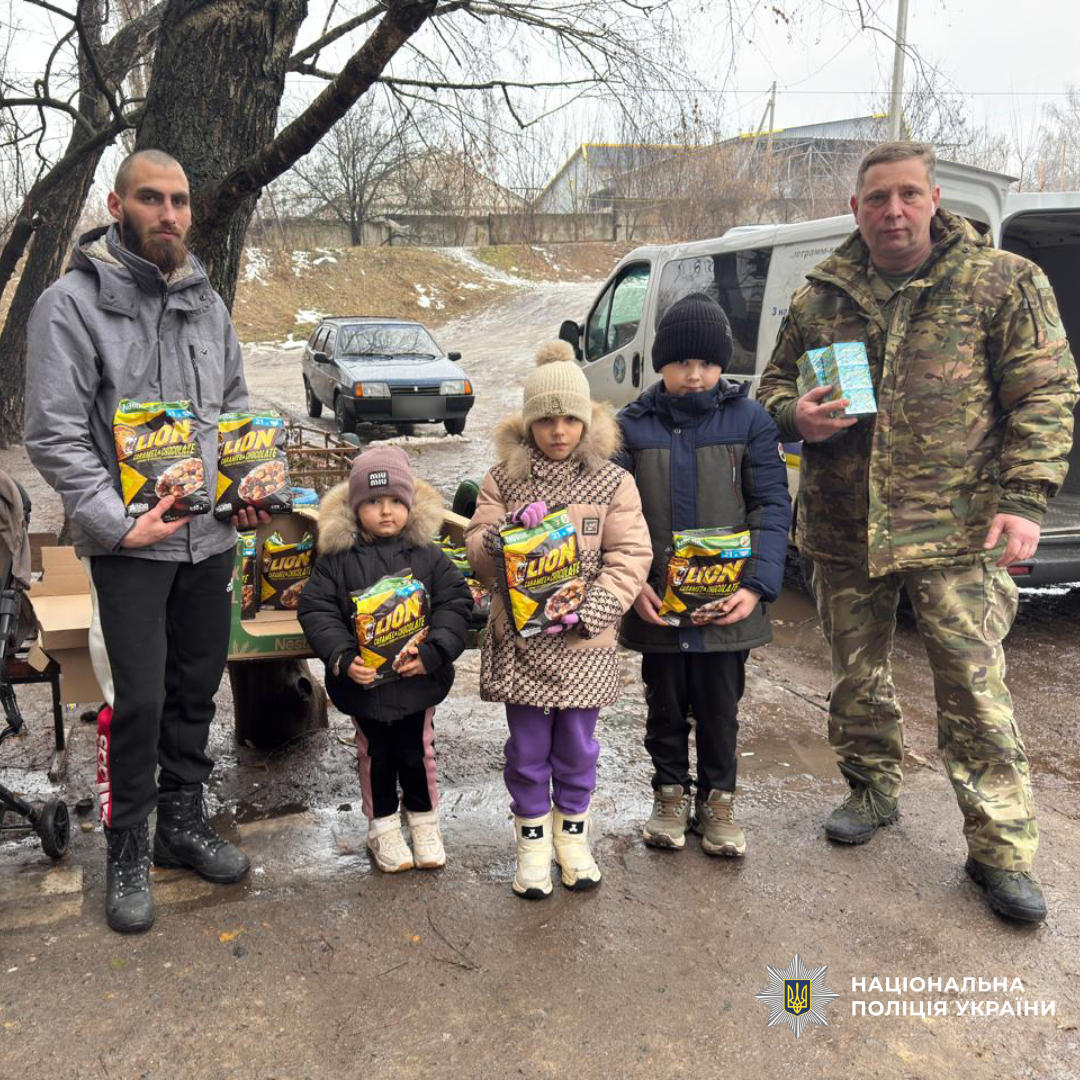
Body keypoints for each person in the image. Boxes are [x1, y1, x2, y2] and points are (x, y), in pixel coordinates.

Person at [757, 141, 1079, 923]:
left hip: (958, 532)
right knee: (856, 681)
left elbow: (1046, 393)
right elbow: (771, 386)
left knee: (974, 693)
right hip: (843, 529)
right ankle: (872, 791)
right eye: (876, 198)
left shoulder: (1002, 282)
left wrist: (1025, 499)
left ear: (935, 199)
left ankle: (999, 853)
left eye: (907, 195)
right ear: (856, 207)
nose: (892, 211)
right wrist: (792, 415)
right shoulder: (819, 297)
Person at [24, 149, 265, 934]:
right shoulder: (69, 305)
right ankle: (127, 845)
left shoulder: (208, 303)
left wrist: (247, 488)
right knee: (137, 701)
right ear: (118, 203)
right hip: (130, 548)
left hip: (210, 541)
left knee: (197, 690)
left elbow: (233, 410)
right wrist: (117, 522)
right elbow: (54, 436)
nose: (170, 213)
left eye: (181, 201)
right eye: (152, 199)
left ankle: (181, 826)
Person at [465, 342, 651, 898]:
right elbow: (475, 549)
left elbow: (631, 556)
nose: (559, 430)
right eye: (546, 419)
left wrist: (595, 610)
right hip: (522, 646)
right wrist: (503, 538)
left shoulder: (614, 483)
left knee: (577, 747)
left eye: (571, 418)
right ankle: (530, 845)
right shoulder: (502, 480)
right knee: (525, 751)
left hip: (583, 646)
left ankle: (572, 836)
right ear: (529, 423)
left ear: (588, 420)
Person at [615, 293, 791, 856]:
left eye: (708, 364)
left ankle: (719, 802)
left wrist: (756, 585)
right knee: (663, 705)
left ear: (723, 365)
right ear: (659, 363)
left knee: (720, 708)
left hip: (726, 607)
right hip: (658, 604)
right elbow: (614, 519)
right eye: (682, 363)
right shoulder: (628, 429)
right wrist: (631, 583)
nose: (695, 375)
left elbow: (770, 506)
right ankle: (669, 795)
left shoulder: (752, 420)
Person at [299, 447, 472, 873]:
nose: (386, 511)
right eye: (373, 502)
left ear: (410, 505)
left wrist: (433, 653)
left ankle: (425, 822)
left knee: (418, 752)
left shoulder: (428, 556)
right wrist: (341, 657)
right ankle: (383, 829)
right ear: (356, 507)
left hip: (417, 681)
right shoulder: (336, 560)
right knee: (375, 754)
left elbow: (456, 602)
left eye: (396, 500)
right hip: (365, 684)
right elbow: (315, 610)